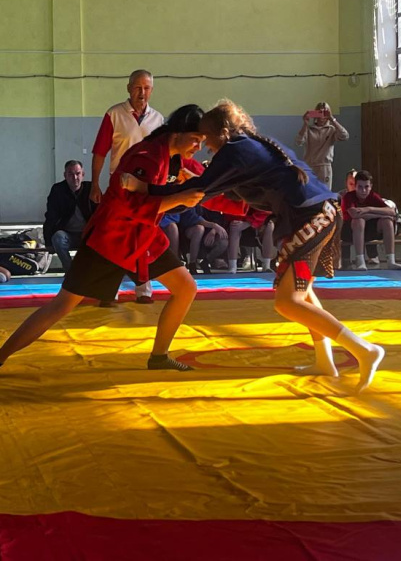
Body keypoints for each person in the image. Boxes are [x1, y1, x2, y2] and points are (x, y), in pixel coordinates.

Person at [125, 99, 385, 392]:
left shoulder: (235, 150)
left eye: (207, 139)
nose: (205, 146)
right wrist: (197, 182)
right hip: (317, 213)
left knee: (288, 301)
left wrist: (145, 189)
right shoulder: (249, 144)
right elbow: (224, 191)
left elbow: (197, 192)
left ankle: (364, 349)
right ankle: (325, 360)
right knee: (304, 293)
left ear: (221, 133)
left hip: (312, 216)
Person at [0, 105, 207, 379]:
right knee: (63, 303)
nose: (198, 147)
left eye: (203, 142)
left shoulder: (172, 158)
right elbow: (129, 204)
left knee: (186, 287)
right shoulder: (147, 155)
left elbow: (199, 183)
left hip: (142, 238)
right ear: (178, 132)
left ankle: (159, 356)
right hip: (111, 240)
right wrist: (177, 198)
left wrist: (215, 193)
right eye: (195, 140)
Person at [90, 69, 166, 303]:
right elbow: (100, 152)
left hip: (147, 188)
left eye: (146, 88)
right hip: (120, 187)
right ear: (128, 88)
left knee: (144, 237)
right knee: (113, 238)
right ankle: (108, 291)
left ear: (152, 90)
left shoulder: (158, 120)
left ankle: (144, 290)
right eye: (137, 87)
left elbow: (164, 155)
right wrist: (95, 184)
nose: (142, 93)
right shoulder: (114, 114)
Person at [340, 171, 401, 271]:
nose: (363, 190)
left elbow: (391, 212)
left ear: (371, 186)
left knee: (387, 221)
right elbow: (354, 214)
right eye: (360, 187)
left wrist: (368, 209)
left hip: (369, 231)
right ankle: (360, 261)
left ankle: (391, 261)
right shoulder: (348, 196)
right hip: (350, 232)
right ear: (355, 186)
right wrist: (378, 214)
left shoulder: (373, 196)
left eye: (366, 187)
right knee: (359, 221)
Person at [43, 160, 97, 273]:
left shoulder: (91, 189)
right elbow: (50, 216)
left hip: (88, 235)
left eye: (77, 173)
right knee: (57, 237)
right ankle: (71, 271)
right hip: (67, 235)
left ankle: (91, 272)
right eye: (70, 174)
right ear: (65, 175)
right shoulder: (58, 190)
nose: (75, 177)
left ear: (83, 174)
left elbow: (101, 214)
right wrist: (48, 241)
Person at [295, 102, 349, 190]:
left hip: (324, 167)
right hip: (309, 166)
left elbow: (345, 136)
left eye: (325, 112)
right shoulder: (309, 129)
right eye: (319, 112)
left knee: (325, 193)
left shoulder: (331, 129)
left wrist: (332, 119)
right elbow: (298, 142)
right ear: (315, 113)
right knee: (309, 192)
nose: (322, 116)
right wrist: (305, 124)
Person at [227, 208, 276, 274]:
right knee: (234, 225)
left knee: (269, 225)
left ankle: (266, 265)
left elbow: (266, 213)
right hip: (239, 221)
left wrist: (250, 222)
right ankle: (232, 266)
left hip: (257, 223)